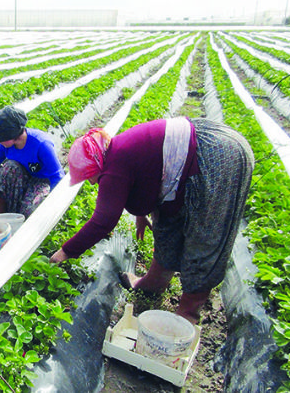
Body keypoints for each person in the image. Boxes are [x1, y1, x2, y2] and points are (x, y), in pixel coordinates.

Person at [49, 118, 254, 324]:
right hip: (203, 144)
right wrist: (141, 215)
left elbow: (103, 222)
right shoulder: (116, 152)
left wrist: (64, 252)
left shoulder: (113, 165)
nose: (91, 182)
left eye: (88, 176)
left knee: (206, 235)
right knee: (166, 220)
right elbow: (145, 173)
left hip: (218, 156)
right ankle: (153, 283)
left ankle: (188, 313)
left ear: (95, 166)